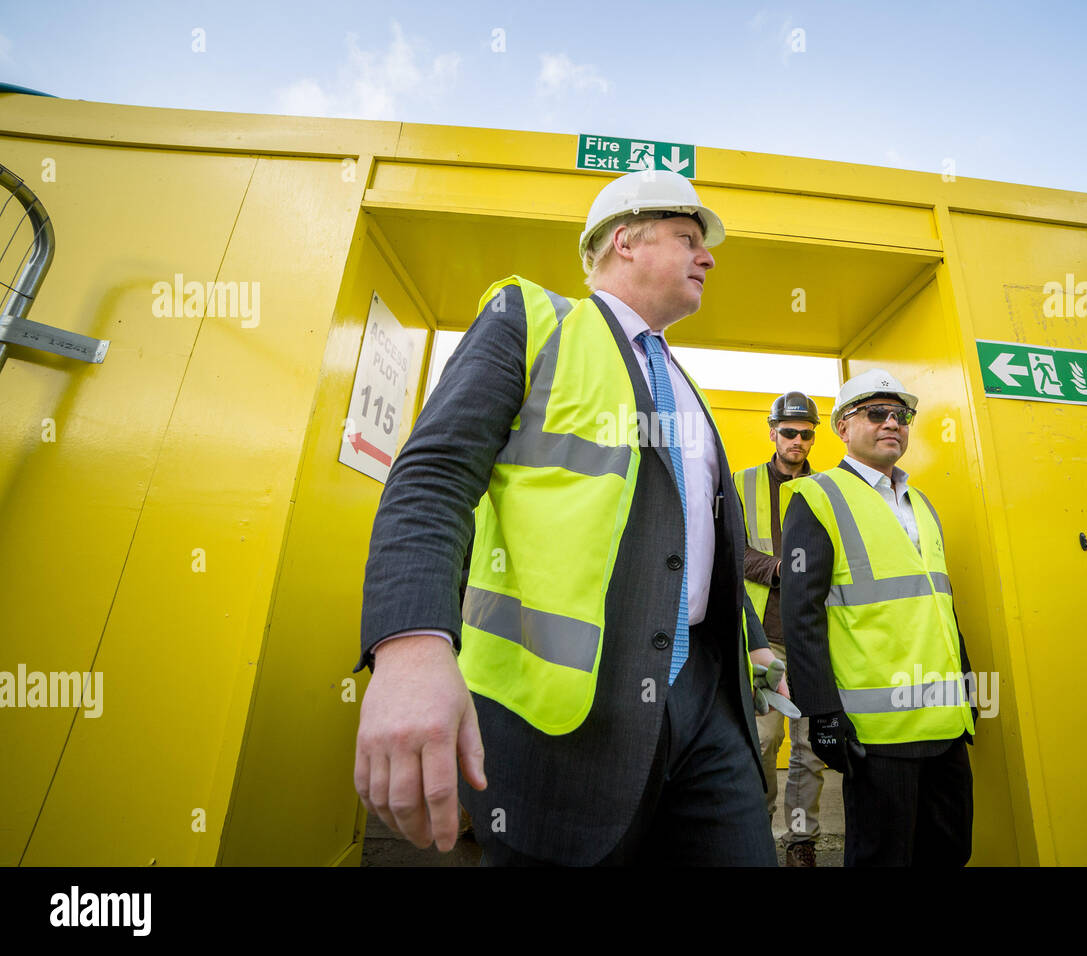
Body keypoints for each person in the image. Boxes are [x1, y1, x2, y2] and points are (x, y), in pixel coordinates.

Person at [352, 168, 784, 866]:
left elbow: (698, 541)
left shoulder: (684, 385)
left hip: (709, 705)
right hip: (565, 725)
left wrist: (755, 641)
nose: (707, 256)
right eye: (687, 238)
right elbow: (433, 477)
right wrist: (410, 646)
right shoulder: (531, 321)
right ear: (624, 242)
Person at [780, 368, 978, 866]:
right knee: (883, 858)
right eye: (876, 412)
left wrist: (967, 684)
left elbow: (938, 603)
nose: (893, 422)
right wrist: (821, 714)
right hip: (879, 734)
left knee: (949, 852)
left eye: (902, 414)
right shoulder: (817, 497)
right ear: (843, 428)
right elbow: (801, 615)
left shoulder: (921, 503)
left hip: (945, 720)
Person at [733, 391, 827, 867]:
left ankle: (801, 840)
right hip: (763, 642)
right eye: (788, 432)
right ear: (772, 433)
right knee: (764, 740)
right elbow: (730, 547)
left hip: (812, 642)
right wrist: (781, 570)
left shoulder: (830, 488)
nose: (797, 441)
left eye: (806, 433)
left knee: (810, 748)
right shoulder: (742, 483)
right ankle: (754, 830)